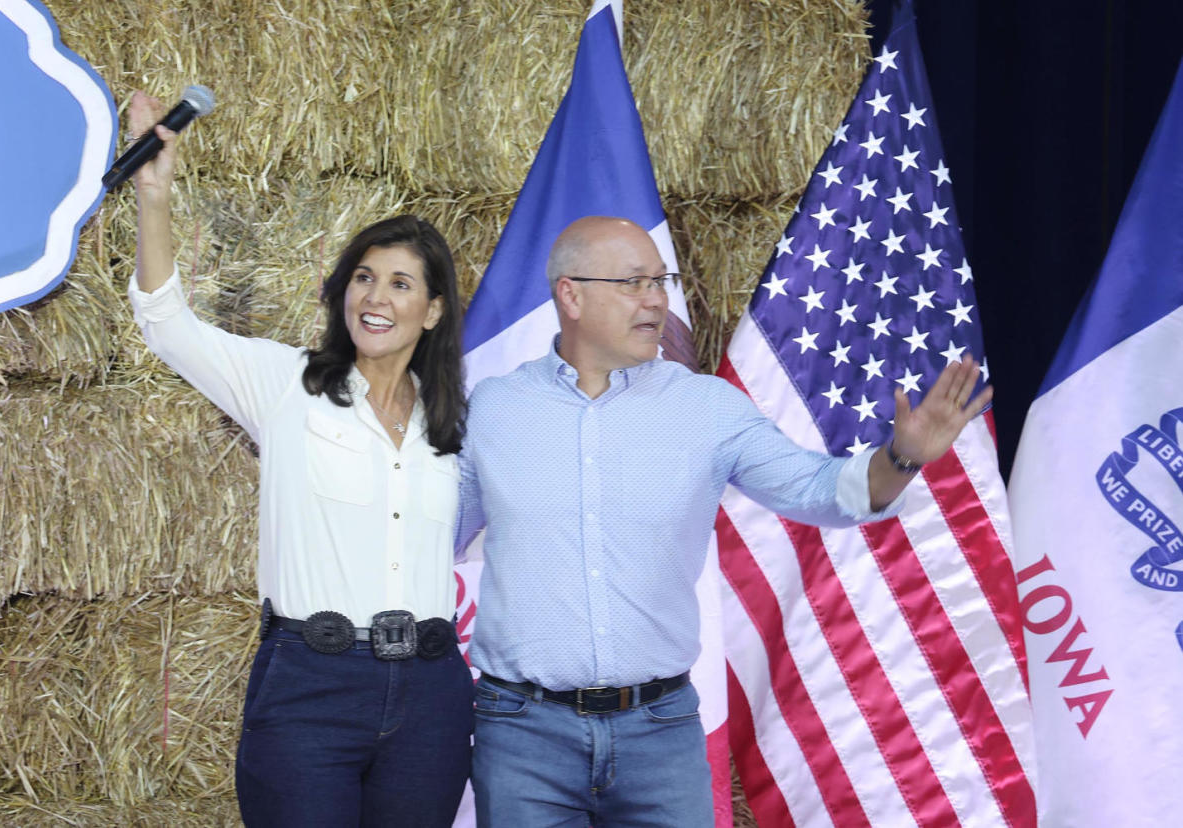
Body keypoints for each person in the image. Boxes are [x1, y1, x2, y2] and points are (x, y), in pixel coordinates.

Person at [456, 215, 992, 827]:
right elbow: (430, 536)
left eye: (662, 281)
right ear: (570, 295)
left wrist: (899, 458)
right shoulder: (495, 410)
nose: (657, 300)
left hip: (659, 731)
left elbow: (819, 490)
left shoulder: (707, 407)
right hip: (524, 734)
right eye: (634, 283)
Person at [125, 92, 473, 827]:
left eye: (400, 284)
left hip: (433, 696)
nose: (375, 298)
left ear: (434, 310)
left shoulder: (454, 422)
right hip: (312, 684)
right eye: (363, 277)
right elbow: (166, 323)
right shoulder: (287, 384)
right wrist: (154, 195)